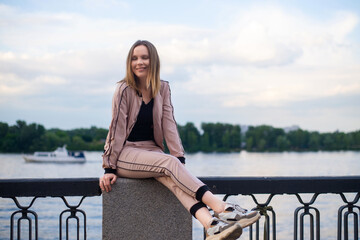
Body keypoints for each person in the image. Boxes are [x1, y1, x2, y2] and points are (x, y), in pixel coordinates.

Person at [99, 40, 260, 240]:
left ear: (153, 61)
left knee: (172, 178)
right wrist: (108, 168)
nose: (139, 62)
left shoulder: (163, 88)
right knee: (169, 164)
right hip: (125, 154)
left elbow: (169, 124)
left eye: (144, 57)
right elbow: (116, 129)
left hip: (151, 152)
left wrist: (179, 160)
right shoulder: (124, 89)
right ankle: (223, 208)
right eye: (134, 58)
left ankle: (211, 225)